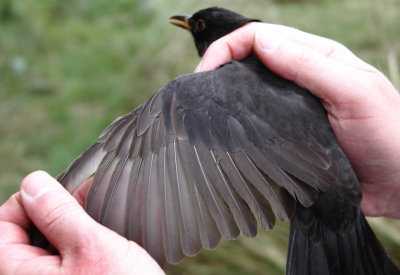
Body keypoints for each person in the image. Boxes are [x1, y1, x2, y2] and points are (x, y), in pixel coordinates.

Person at [0, 22, 399, 274]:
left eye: (199, 26)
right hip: (340, 197)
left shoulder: (206, 93)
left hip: (324, 213)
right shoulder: (287, 77)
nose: (190, 27)